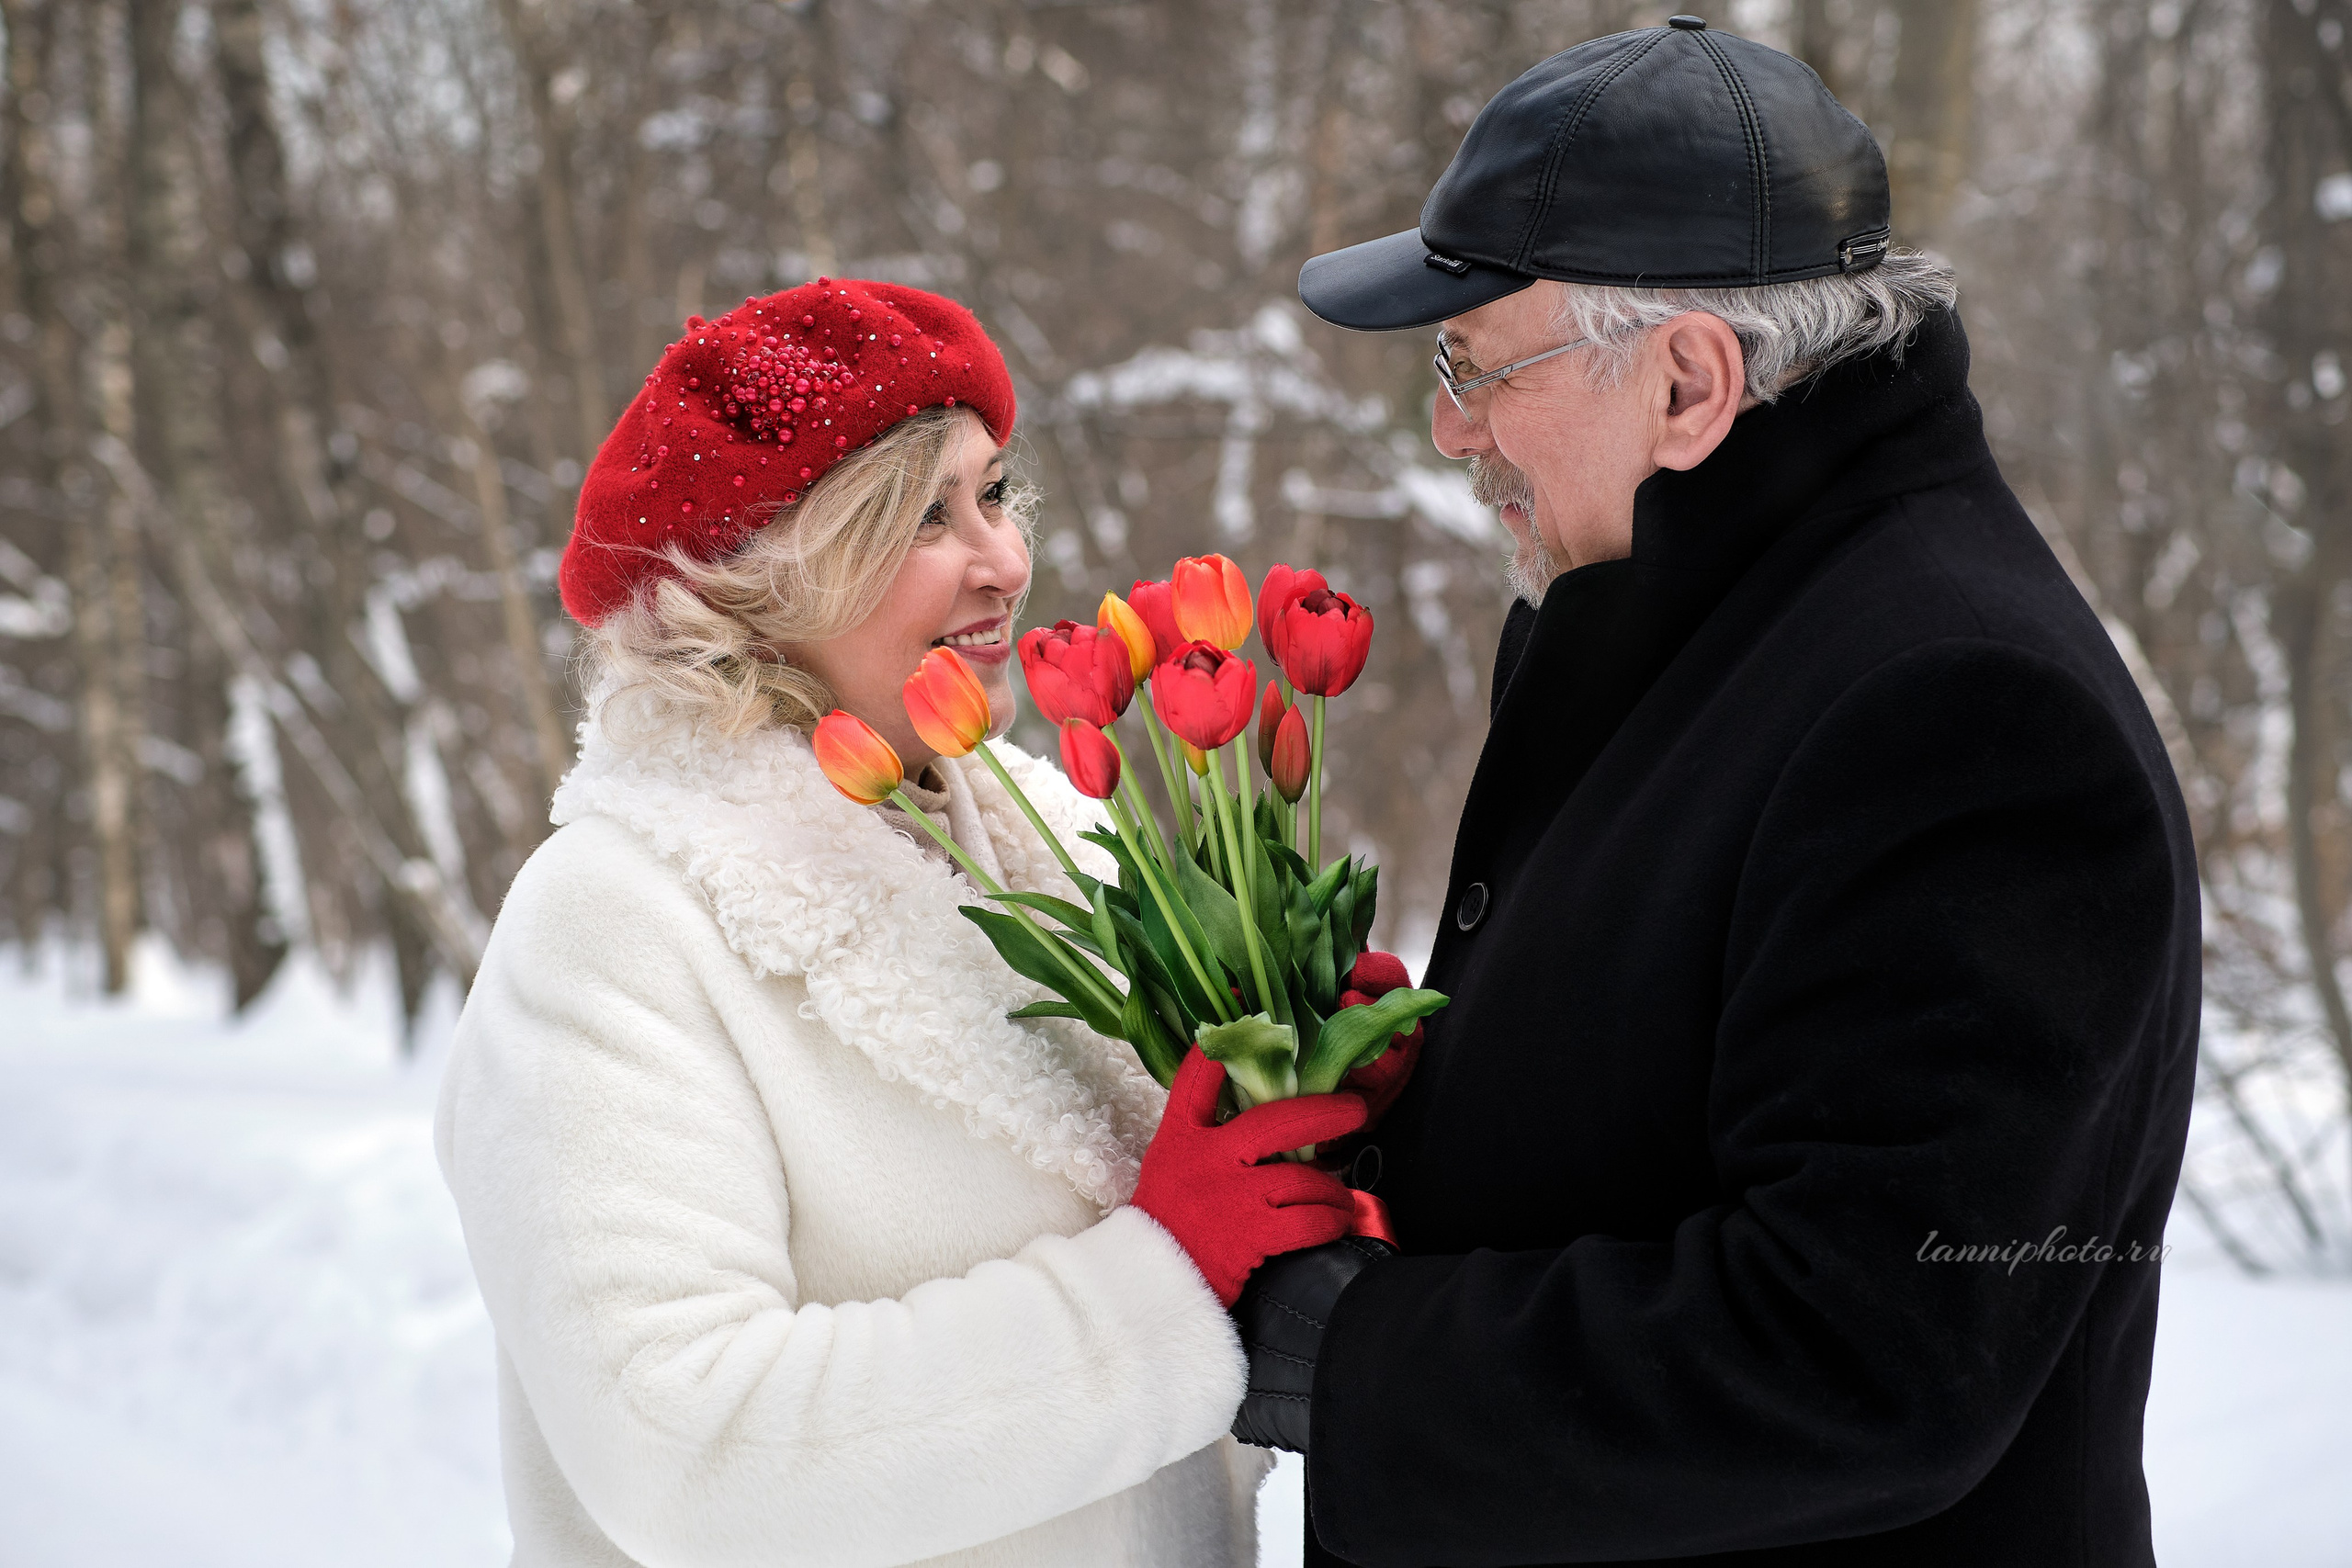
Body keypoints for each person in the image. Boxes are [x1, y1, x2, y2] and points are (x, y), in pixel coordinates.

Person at [1224, 18, 2199, 1568]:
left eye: (1476, 364)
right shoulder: (1691, 612)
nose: (1451, 429)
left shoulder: (1959, 709)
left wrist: (1354, 1351)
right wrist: (1412, 1110)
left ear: (1688, 384)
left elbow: (1868, 1352)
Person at [434, 278, 1370, 1568]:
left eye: (995, 494)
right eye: (928, 515)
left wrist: (1314, 1131)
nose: (1007, 561)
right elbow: (687, 1455)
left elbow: (1191, 1325)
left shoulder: (1052, 846)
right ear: (768, 577)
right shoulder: (614, 921)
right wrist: (1162, 1284)